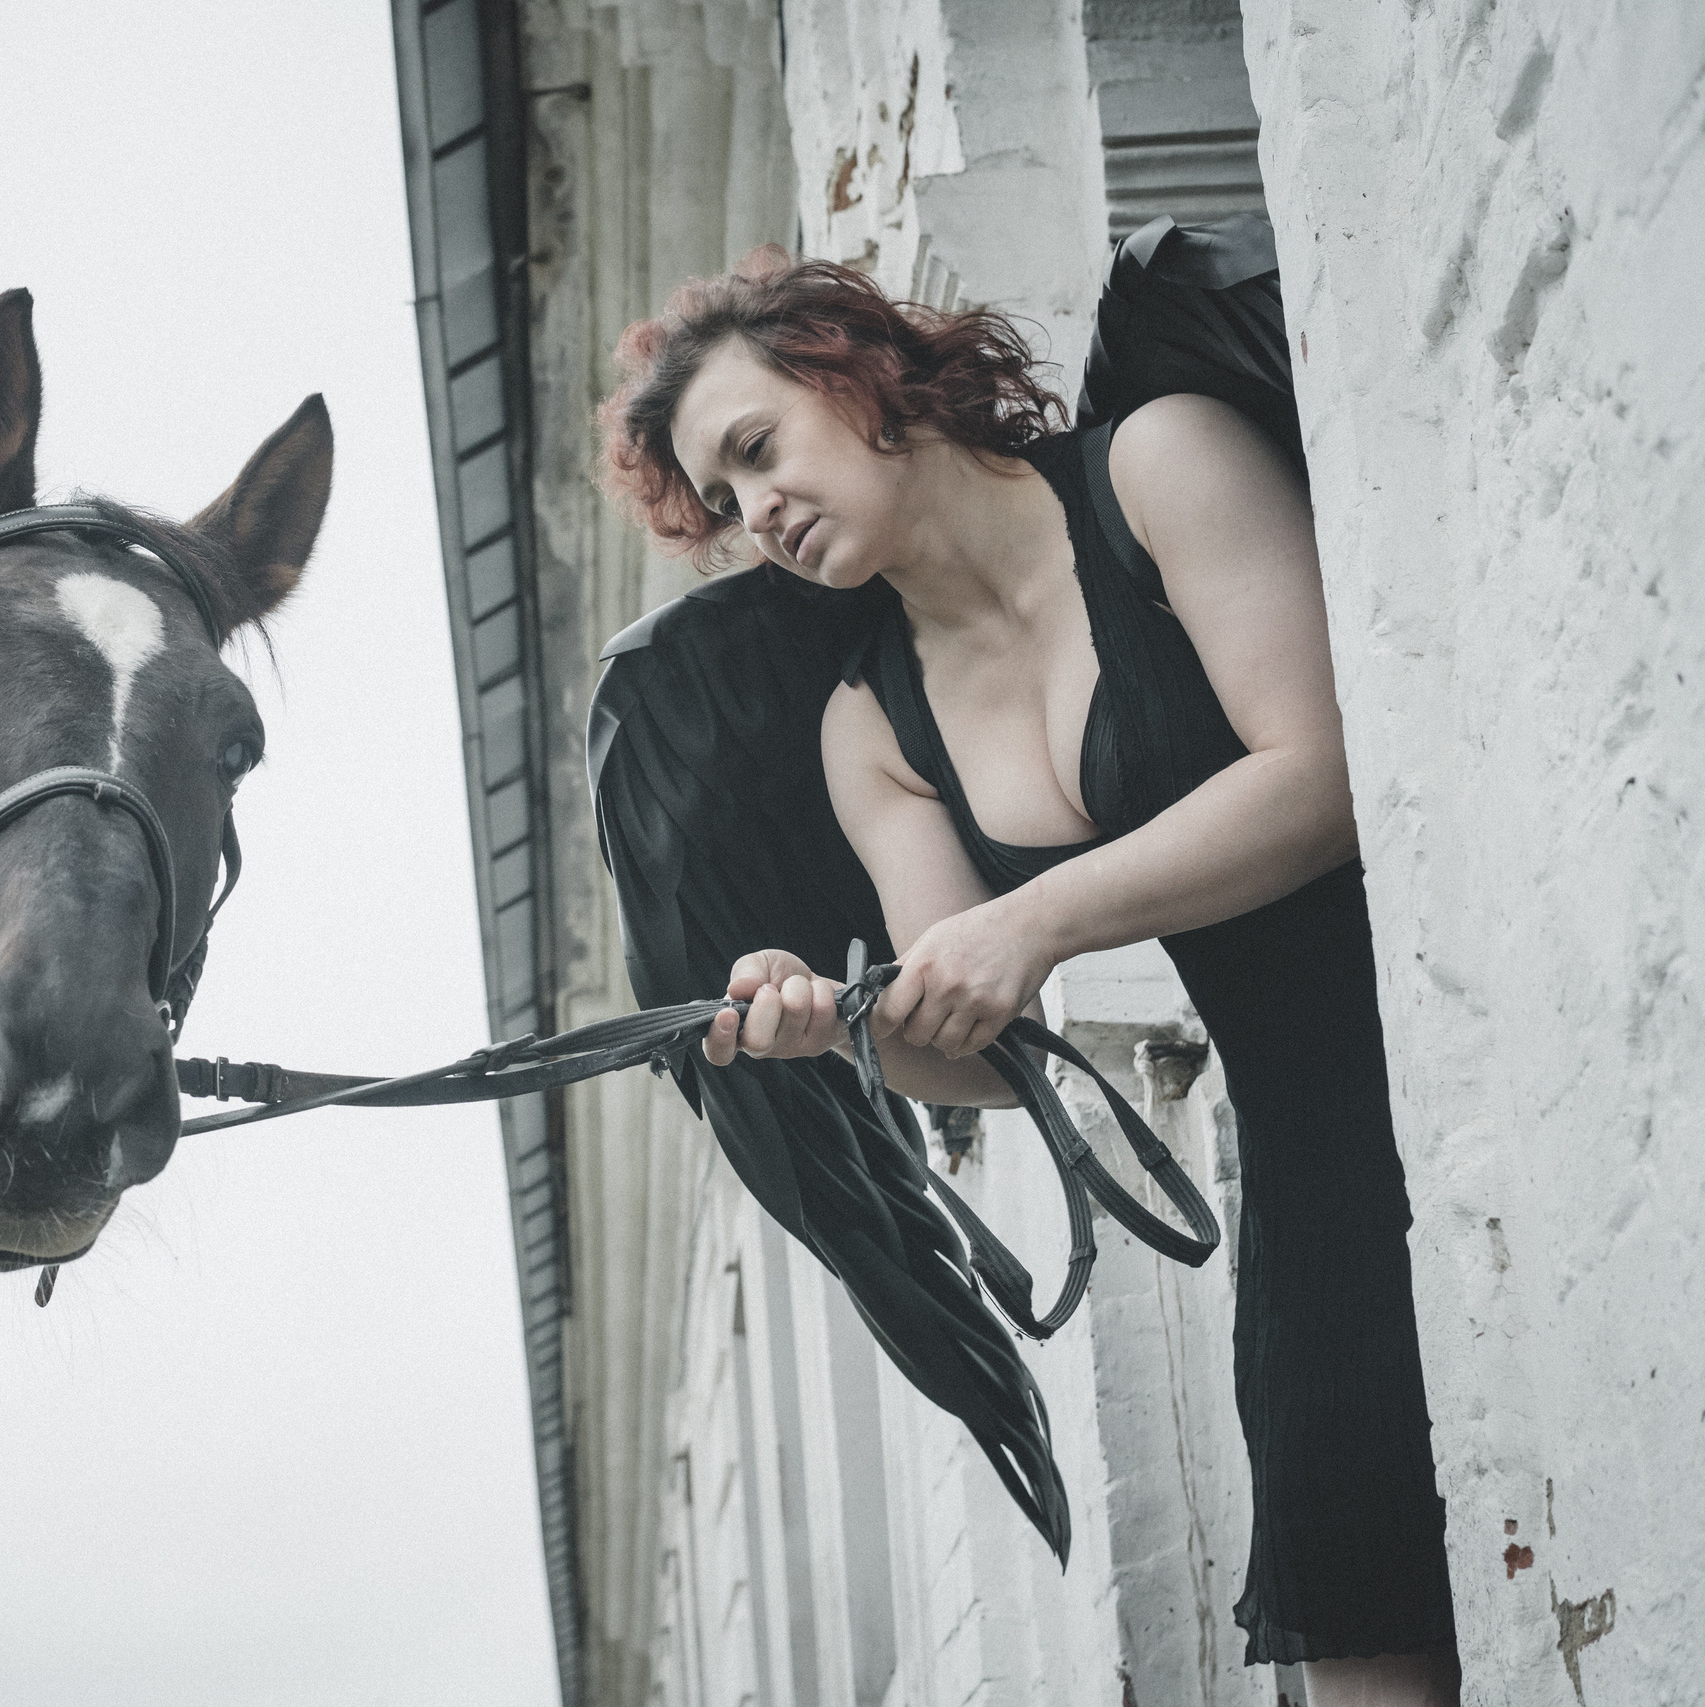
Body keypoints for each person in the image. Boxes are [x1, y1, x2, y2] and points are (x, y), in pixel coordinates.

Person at [596, 248, 1461, 1706]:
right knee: (1368, 1645)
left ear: (852, 367)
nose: (762, 514)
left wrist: (1034, 920)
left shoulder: (1159, 467)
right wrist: (834, 1030)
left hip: (1458, 1049)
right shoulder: (868, 723)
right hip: (1315, 1175)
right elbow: (982, 1051)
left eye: (758, 449)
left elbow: (1322, 780)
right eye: (726, 505)